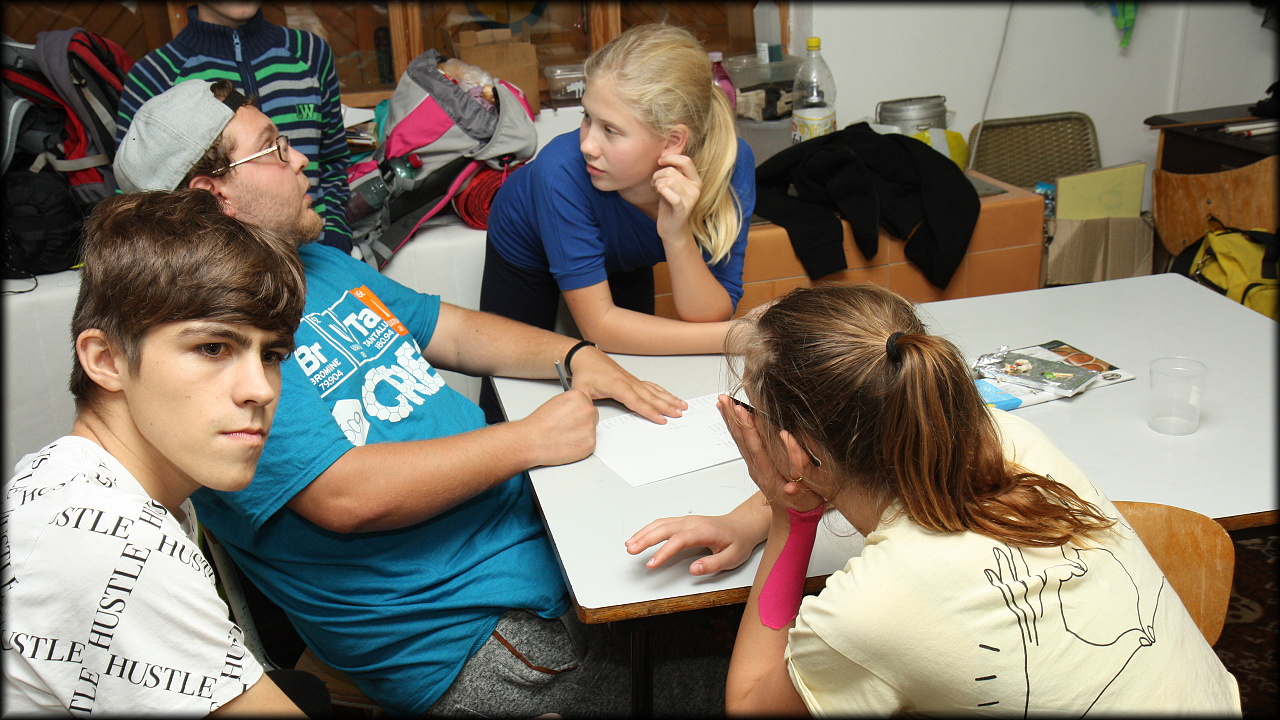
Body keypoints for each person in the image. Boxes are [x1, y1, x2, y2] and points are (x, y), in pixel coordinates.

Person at [112, 77, 689, 717]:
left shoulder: (315, 265)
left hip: (535, 548)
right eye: (274, 148)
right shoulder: (212, 349)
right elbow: (345, 495)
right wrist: (530, 440)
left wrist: (576, 355)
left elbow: (452, 330)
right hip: (473, 634)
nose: (300, 159)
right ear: (212, 196)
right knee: (734, 675)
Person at [627, 283, 1243, 716]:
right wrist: (751, 515)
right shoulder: (1006, 436)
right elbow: (861, 457)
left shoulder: (871, 611)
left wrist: (790, 518)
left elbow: (749, 704)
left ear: (795, 451)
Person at [1, 189, 327, 715]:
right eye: (213, 348)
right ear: (106, 359)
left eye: (271, 355)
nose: (261, 390)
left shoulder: (82, 476)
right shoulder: (110, 543)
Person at [481, 23, 755, 356]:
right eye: (587, 117)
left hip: (622, 251)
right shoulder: (560, 172)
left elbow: (710, 317)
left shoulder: (729, 163)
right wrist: (744, 337)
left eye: (610, 130)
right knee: (508, 366)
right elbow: (600, 329)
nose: (587, 145)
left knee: (631, 368)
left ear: (673, 141)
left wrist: (676, 236)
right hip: (527, 242)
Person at [115, 1, 353, 254]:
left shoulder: (310, 53)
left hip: (318, 248)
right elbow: (137, 201)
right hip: (222, 265)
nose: (300, 159)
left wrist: (336, 239)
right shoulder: (155, 74)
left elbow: (333, 160)